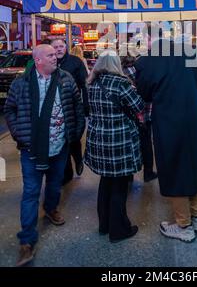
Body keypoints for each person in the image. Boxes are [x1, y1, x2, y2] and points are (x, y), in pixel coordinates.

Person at [4, 44, 85, 267]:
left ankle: (50, 209)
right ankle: (27, 241)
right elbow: (9, 109)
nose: (55, 57)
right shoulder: (22, 83)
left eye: (55, 54)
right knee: (30, 191)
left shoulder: (66, 79)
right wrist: (19, 132)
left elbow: (77, 107)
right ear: (38, 60)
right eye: (49, 55)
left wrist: (74, 134)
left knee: (54, 184)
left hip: (60, 146)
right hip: (31, 148)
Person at [135, 33, 197, 242]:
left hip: (168, 123)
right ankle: (196, 216)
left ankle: (184, 226)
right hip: (195, 120)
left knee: (175, 169)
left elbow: (144, 93)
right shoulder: (192, 53)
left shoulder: (147, 61)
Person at [84, 50, 144, 242]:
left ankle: (104, 225)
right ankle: (118, 230)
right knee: (119, 185)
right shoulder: (122, 83)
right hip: (119, 140)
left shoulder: (91, 83)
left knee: (106, 183)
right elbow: (138, 106)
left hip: (99, 140)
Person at [51, 39, 89, 183]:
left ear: (66, 48)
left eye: (61, 46)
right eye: (56, 46)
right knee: (62, 139)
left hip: (73, 106)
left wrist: (86, 105)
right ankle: (66, 173)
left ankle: (78, 159)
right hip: (54, 109)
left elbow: (85, 85)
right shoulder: (49, 62)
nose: (59, 49)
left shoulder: (75, 62)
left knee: (73, 137)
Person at [120, 49, 157, 183]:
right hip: (145, 112)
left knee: (130, 143)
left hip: (129, 115)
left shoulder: (120, 73)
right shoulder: (140, 70)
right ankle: (148, 172)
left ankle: (129, 175)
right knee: (146, 142)